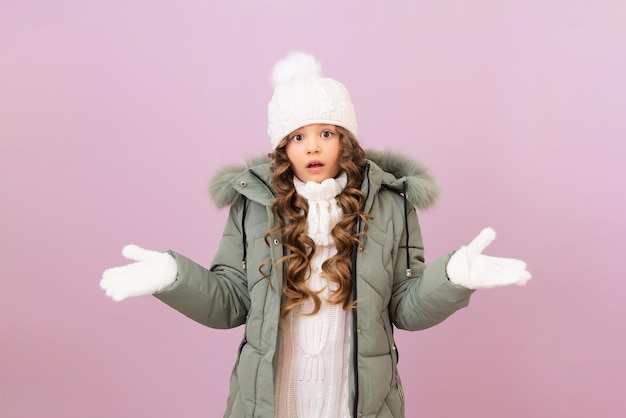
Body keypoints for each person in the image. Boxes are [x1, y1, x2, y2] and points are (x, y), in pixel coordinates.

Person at [100, 52, 531, 418]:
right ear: (282, 148)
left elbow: (404, 308)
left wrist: (453, 277)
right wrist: (173, 277)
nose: (312, 147)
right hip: (269, 403)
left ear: (345, 141)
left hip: (359, 403)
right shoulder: (252, 204)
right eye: (298, 136)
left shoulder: (390, 202)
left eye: (326, 133)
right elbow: (231, 303)